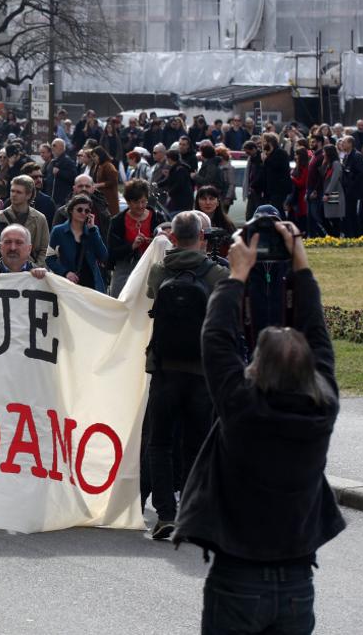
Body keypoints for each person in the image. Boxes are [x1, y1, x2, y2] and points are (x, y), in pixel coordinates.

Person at [174, 220, 344, 634]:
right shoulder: (322, 409)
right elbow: (318, 335)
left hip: (239, 577)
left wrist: (236, 275)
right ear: (310, 370)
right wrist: (299, 260)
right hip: (297, 582)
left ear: (257, 367)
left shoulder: (242, 407)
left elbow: (215, 338)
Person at [144, 211, 229, 541]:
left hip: (164, 369)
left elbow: (152, 296)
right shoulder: (215, 273)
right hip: (200, 371)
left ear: (174, 238)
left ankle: (165, 513)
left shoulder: (159, 269)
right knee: (196, 445)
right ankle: (193, 511)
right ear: (202, 237)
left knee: (160, 443)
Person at [106, 180, 164, 297]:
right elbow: (111, 252)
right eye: (136, 202)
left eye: (143, 201)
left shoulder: (158, 218)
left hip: (152, 268)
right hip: (126, 268)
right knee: (119, 300)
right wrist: (132, 246)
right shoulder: (117, 221)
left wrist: (155, 241)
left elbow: (169, 243)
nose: (141, 206)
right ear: (128, 202)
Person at [48, 194, 108, 292]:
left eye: (87, 211)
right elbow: (49, 259)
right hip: (68, 285)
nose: (83, 213)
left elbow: (103, 256)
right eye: (80, 210)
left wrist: (93, 230)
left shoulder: (92, 230)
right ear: (71, 210)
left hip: (91, 285)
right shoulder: (58, 231)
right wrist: (65, 273)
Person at [0, 175, 50, 267]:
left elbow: (45, 249)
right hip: (4, 269)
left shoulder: (40, 218)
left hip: (32, 271)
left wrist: (36, 267)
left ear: (28, 195)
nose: (14, 194)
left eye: (18, 192)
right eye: (12, 191)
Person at [92, 147, 120, 216]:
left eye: (95, 156)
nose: (93, 158)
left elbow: (113, 181)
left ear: (100, 155)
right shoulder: (98, 166)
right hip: (101, 198)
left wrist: (99, 185)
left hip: (109, 198)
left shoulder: (108, 166)